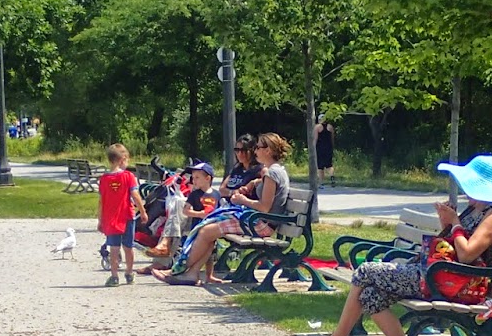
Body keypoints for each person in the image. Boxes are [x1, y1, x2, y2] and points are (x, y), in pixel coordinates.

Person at [299, 154, 492, 336]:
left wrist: (455, 222)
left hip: (454, 284)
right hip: (441, 276)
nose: (463, 188)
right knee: (371, 296)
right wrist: (447, 222)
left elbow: (467, 255)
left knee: (364, 271)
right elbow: (450, 244)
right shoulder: (473, 210)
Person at [156, 133, 291, 286]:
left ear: (268, 150)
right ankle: (191, 273)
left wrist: (243, 200)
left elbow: (264, 207)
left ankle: (176, 271)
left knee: (206, 231)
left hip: (261, 225)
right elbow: (265, 190)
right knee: (207, 228)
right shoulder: (274, 171)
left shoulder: (272, 173)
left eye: (258, 147)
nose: (255, 151)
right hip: (258, 221)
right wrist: (253, 183)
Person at [98, 143, 147, 286]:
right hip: (127, 217)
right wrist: (143, 211)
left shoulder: (104, 179)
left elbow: (101, 201)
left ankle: (114, 277)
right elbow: (135, 195)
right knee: (128, 247)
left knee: (114, 249)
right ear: (123, 159)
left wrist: (100, 220)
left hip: (110, 219)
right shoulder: (128, 176)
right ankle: (129, 273)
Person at [315, 116, 335, 186]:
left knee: (320, 166)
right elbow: (332, 138)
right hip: (328, 148)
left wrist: (313, 147)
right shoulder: (330, 127)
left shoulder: (317, 127)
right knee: (329, 165)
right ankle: (332, 177)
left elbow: (315, 138)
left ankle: (321, 182)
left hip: (320, 148)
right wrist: (332, 146)